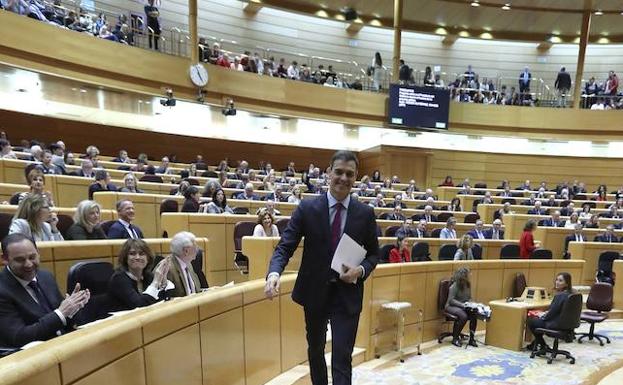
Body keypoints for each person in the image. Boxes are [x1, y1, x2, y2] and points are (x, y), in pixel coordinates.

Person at [265, 150, 378, 385]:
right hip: (315, 292)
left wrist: (361, 271)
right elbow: (285, 246)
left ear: (356, 177)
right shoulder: (307, 208)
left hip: (347, 296)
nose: (343, 178)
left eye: (349, 174)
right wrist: (274, 272)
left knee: (342, 358)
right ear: (328, 173)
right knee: (315, 351)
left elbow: (374, 255)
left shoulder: (365, 214)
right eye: (339, 172)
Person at [0, 234, 91, 348]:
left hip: (62, 347)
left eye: (32, 257)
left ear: (38, 253)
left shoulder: (45, 276)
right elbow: (18, 337)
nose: (28, 264)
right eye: (20, 260)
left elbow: (62, 320)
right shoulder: (2, 290)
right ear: (4, 259)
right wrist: (61, 313)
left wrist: (73, 308)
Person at [107, 238, 171, 311]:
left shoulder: (147, 276)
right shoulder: (119, 279)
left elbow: (164, 299)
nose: (137, 257)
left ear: (148, 258)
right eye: (132, 254)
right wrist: (156, 282)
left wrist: (163, 279)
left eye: (141, 254)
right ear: (125, 258)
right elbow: (139, 305)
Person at [526, 272, 574, 353]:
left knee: (531, 320)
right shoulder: (572, 294)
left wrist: (541, 315)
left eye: (560, 281)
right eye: (557, 280)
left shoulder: (560, 295)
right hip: (567, 325)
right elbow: (558, 310)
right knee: (538, 319)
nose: (557, 282)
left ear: (566, 284)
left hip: (556, 325)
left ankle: (543, 345)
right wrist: (545, 313)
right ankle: (537, 344)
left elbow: (550, 315)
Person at [445, 267, 478, 347]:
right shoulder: (455, 285)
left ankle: (472, 339)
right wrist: (462, 305)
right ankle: (455, 338)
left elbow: (469, 298)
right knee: (463, 316)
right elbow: (451, 300)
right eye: (468, 274)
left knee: (474, 313)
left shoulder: (468, 285)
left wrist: (471, 304)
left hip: (463, 306)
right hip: (451, 306)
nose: (470, 275)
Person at [166, 231, 203, 297]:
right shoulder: (167, 269)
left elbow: (196, 290)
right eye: (195, 246)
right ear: (186, 251)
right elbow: (165, 299)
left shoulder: (188, 263)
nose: (197, 248)